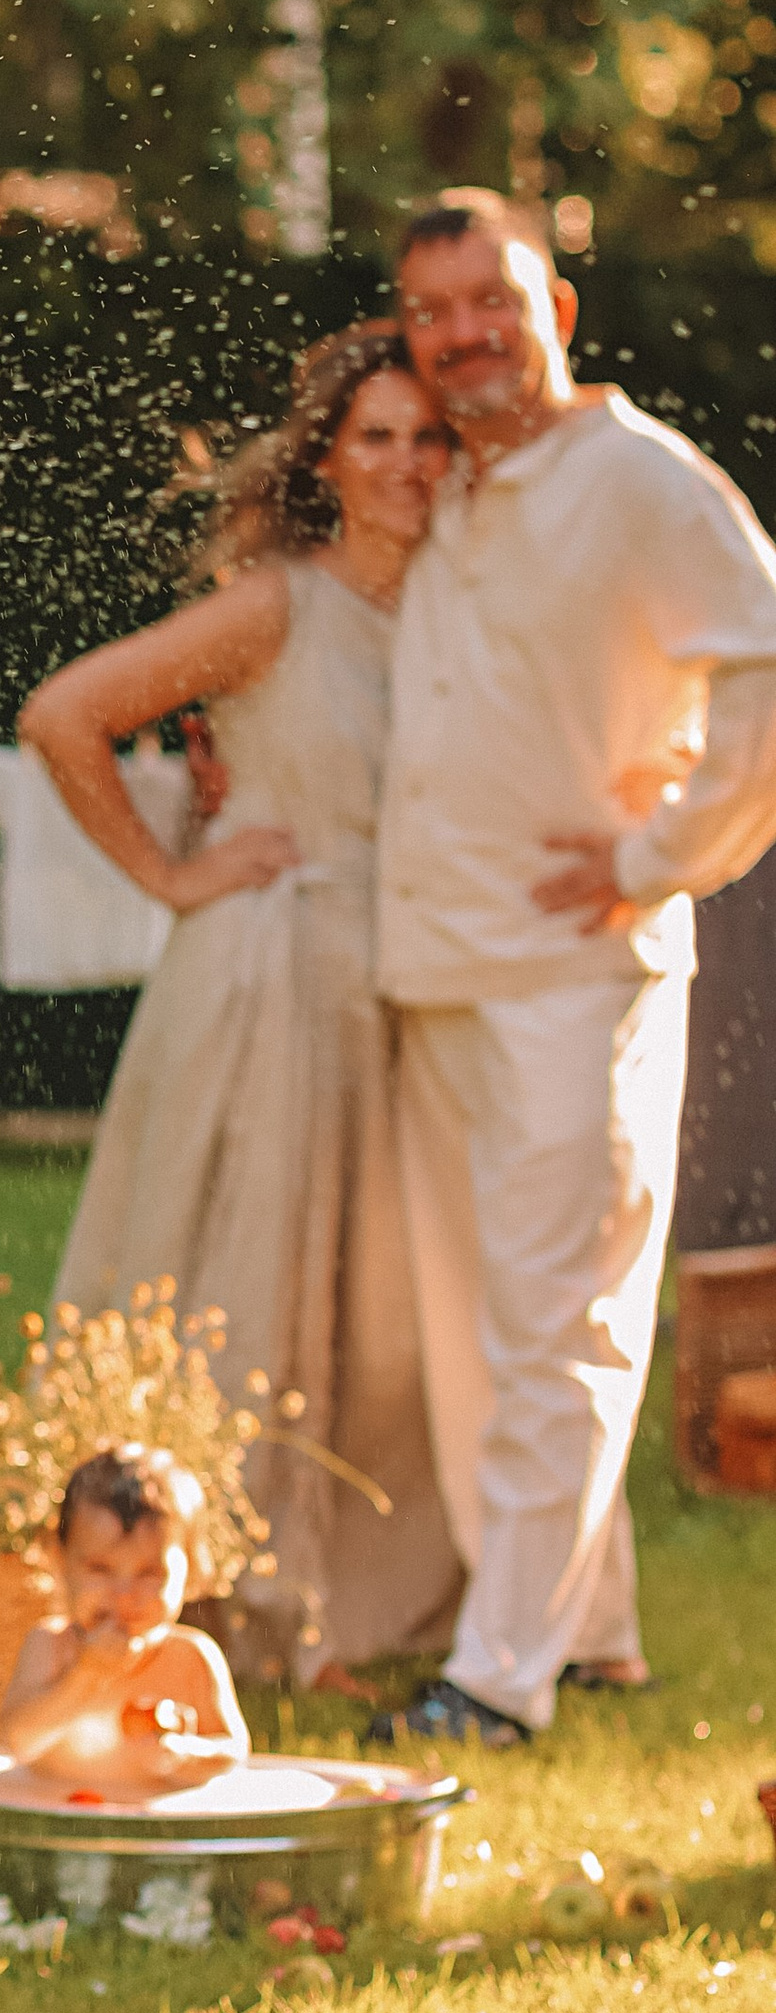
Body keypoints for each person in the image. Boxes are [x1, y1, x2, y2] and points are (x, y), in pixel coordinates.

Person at [377, 191, 776, 1744]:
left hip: (578, 979)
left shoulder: (644, 481)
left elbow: (765, 665)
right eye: (432, 311)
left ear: (559, 305)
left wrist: (651, 855)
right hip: (441, 971)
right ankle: (588, 1630)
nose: (463, 335)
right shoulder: (458, 488)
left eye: (493, 299)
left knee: (563, 1324)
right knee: (488, 1329)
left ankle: (497, 1681)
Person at [19, 324, 465, 1684]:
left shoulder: (463, 608)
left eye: (428, 435)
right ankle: (223, 1598)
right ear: (328, 454)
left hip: (406, 988)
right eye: (373, 436)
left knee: (381, 1308)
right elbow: (66, 712)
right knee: (245, 1292)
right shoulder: (280, 604)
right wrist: (174, 872)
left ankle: (371, 1599)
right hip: (269, 979)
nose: (401, 463)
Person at [0, 1445, 250, 1786]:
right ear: (59, 1563)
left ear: (191, 1570)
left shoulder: (191, 1657)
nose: (124, 1593)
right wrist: (85, 1675)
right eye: (100, 1569)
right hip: (62, 1824)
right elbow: (19, 1742)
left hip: (155, 1832)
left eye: (149, 1573)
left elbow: (233, 1750)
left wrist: (183, 1752)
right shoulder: (51, 1646)